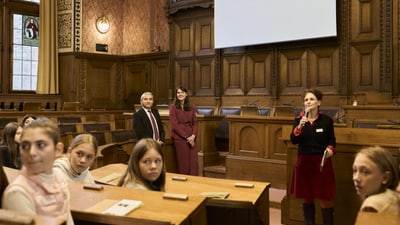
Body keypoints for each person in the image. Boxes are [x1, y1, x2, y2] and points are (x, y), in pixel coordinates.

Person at [2, 117, 74, 225]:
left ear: (58, 150)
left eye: (40, 145)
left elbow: (68, 220)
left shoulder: (59, 176)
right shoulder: (18, 193)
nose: (32, 152)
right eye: (25, 146)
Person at [290, 89, 336, 225]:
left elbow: (332, 141)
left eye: (311, 99)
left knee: (324, 199)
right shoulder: (299, 120)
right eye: (306, 100)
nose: (308, 102)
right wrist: (299, 127)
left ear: (319, 102)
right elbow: (293, 140)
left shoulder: (326, 121)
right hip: (304, 163)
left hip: (321, 164)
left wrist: (330, 149)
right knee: (307, 198)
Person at [352, 146, 400, 214]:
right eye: (355, 170)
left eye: (365, 172)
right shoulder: (393, 197)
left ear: (385, 178)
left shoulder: (372, 205)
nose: (356, 178)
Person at [169, 87, 199, 175]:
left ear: (186, 94)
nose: (180, 94)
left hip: (192, 137)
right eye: (178, 93)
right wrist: (186, 137)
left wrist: (193, 136)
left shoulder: (191, 107)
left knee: (194, 162)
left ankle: (194, 182)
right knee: (183, 163)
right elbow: (174, 125)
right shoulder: (173, 107)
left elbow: (195, 123)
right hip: (179, 137)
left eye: (182, 92)